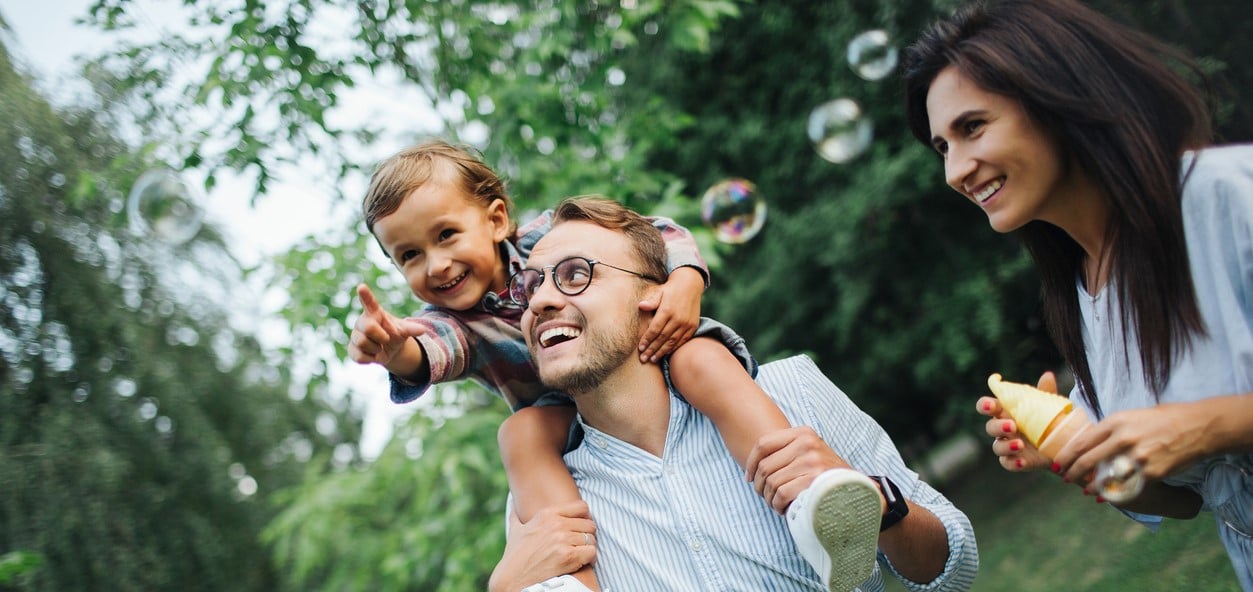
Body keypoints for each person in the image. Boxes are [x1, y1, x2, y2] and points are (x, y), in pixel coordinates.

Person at [346, 140, 869, 589]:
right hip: (571, 407)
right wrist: (395, 351)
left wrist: (684, 281)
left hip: (649, 355)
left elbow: (659, 232)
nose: (435, 265)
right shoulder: (452, 322)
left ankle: (811, 502)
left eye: (445, 235)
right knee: (520, 432)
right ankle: (569, 581)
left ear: (497, 219)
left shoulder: (553, 239)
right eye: (409, 255)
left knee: (698, 357)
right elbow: (430, 351)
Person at [902, 0, 1253, 588]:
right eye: (942, 147)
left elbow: (1202, 435)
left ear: (1055, 97)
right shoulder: (1084, 291)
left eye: (972, 127)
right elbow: (1188, 499)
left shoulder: (1224, 196)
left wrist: (1207, 424)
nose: (955, 171)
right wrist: (1079, 454)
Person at [491, 196, 979, 591]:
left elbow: (954, 569)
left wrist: (881, 504)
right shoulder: (542, 505)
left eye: (575, 275)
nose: (540, 302)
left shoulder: (791, 391)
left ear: (654, 294)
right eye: (529, 288)